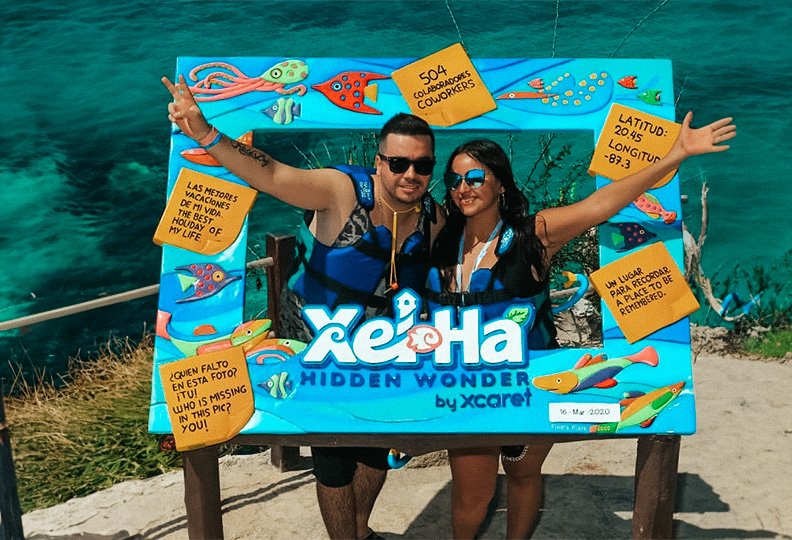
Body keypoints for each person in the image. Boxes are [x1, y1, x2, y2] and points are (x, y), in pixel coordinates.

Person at [427, 113, 736, 539]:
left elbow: (602, 204)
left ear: (500, 184)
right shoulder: (441, 237)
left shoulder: (535, 233)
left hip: (534, 382)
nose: (464, 188)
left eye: (476, 177)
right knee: (471, 498)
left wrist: (676, 154)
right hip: (469, 387)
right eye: (455, 180)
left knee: (522, 475)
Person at [162, 74, 444, 540]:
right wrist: (205, 133)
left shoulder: (432, 217)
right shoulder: (341, 192)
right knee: (332, 453)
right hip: (313, 335)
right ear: (379, 162)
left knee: (377, 444)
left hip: (380, 345)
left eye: (422, 165)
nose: (410, 174)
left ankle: (359, 531)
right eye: (398, 163)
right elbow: (273, 175)